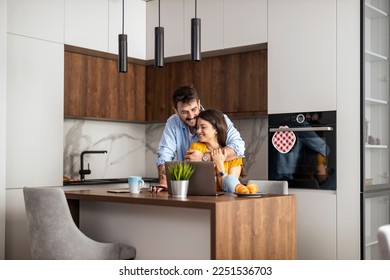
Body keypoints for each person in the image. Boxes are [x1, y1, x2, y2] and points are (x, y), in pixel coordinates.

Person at [155, 85, 245, 188]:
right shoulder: (173, 122)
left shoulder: (218, 119)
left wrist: (204, 157)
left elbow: (238, 148)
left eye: (194, 109)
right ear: (176, 111)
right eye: (184, 112)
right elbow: (164, 153)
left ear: (199, 103)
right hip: (190, 187)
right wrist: (163, 182)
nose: (191, 116)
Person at [188, 109, 244, 192]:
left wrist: (219, 164)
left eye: (203, 127)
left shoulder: (233, 155)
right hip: (202, 197)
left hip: (227, 200)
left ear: (216, 130)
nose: (198, 131)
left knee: (230, 179)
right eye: (197, 127)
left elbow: (229, 189)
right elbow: (193, 182)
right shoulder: (196, 148)